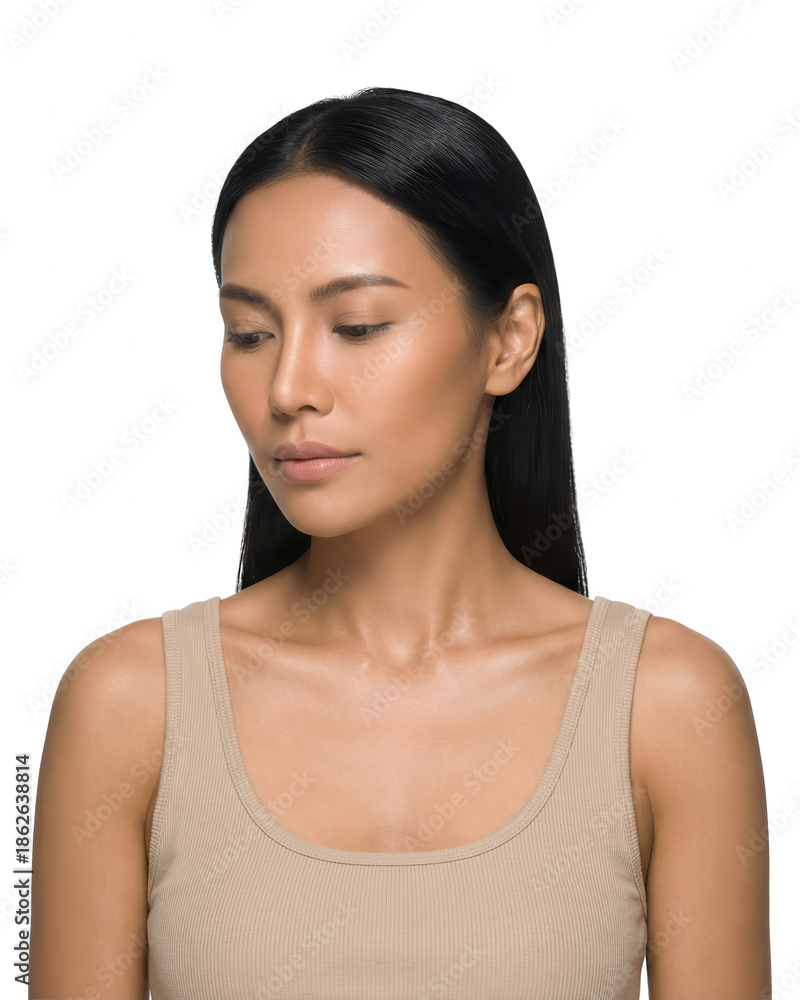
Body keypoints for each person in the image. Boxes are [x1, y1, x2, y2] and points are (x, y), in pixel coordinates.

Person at [29, 87, 770, 999]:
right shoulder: (128, 704)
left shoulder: (668, 705)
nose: (288, 388)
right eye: (250, 333)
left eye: (358, 326)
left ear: (509, 340)